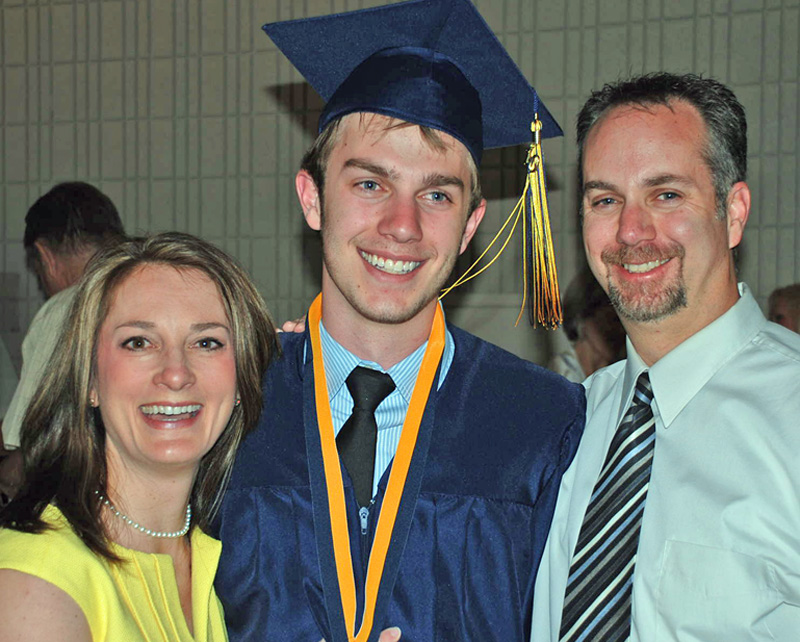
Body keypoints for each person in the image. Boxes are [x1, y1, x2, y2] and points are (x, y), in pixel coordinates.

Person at [214, 1, 586, 641]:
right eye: (370, 184)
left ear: (470, 227)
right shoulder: (228, 402)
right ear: (312, 198)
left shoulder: (543, 424)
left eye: (436, 194)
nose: (403, 225)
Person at [532, 72, 800, 640]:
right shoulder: (565, 426)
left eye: (667, 195)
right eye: (606, 200)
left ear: (734, 212)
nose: (631, 231)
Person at [0, 233, 278, 641]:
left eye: (206, 342)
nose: (176, 373)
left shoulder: (230, 565)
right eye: (139, 342)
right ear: (89, 379)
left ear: (242, 380)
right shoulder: (37, 581)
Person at [2, 182, 126, 457]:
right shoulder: (161, 289)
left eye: (38, 274)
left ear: (45, 256)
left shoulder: (65, 308)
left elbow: (29, 444)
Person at [548, 267, 625, 382]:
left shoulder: (618, 373)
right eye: (611, 320)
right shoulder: (561, 373)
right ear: (582, 320)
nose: (619, 330)